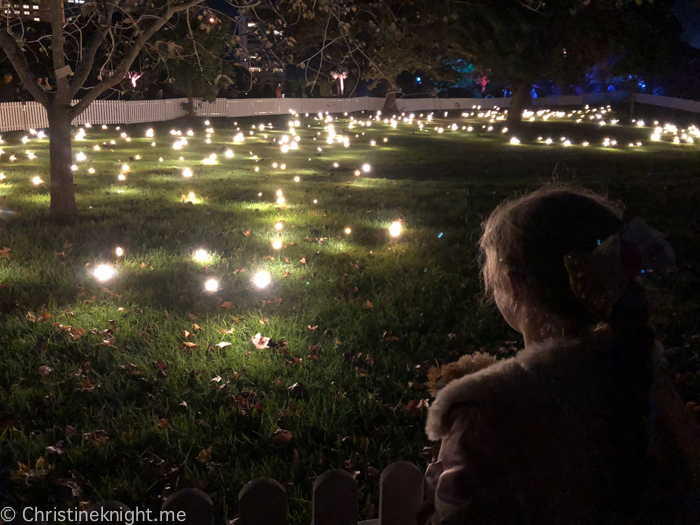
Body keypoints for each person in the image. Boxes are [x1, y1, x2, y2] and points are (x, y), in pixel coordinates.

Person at [420, 186, 700, 525]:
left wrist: (436, 475)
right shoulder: (641, 375)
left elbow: (454, 514)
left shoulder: (489, 412)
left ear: (513, 284)